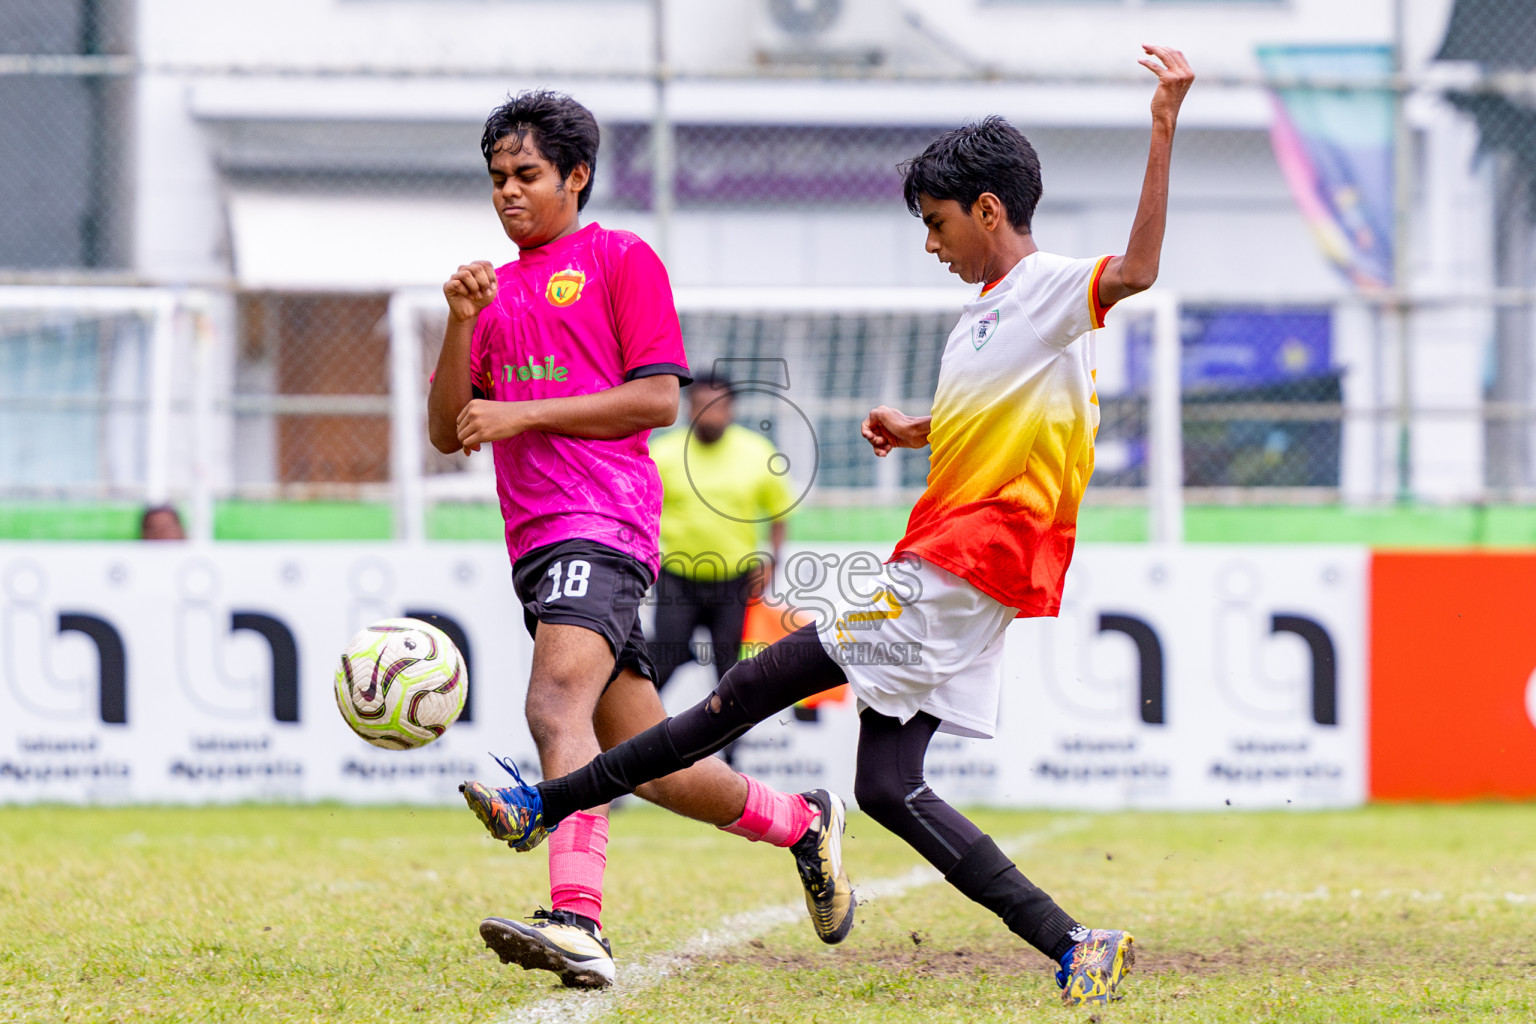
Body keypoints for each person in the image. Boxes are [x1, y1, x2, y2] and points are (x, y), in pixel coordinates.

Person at [460, 47, 1195, 1006]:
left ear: (985, 210)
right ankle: (1073, 941)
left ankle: (540, 805)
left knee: (747, 688)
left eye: (936, 226)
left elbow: (1137, 268)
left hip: (965, 562)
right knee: (889, 787)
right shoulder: (982, 318)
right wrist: (918, 426)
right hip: (955, 566)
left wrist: (1163, 122)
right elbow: (1020, 413)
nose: (931, 246)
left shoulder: (1051, 284)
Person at [428, 91, 853, 991]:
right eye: (497, 178)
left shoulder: (620, 259)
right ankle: (804, 822)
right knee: (653, 767)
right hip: (536, 545)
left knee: (554, 711)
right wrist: (462, 320)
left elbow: (660, 398)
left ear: (575, 177)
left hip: (605, 523)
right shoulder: (494, 292)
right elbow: (448, 431)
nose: (508, 192)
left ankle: (577, 920)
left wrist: (522, 413)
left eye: (527, 175)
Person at [649, 372, 791, 747]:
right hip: (677, 576)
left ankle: (731, 762)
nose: (710, 415)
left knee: (730, 674)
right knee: (659, 664)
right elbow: (641, 510)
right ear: (688, 408)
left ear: (731, 410)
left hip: (733, 580)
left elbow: (779, 515)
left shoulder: (757, 452)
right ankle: (636, 749)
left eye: (718, 407)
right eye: (700, 406)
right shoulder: (662, 453)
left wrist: (772, 563)